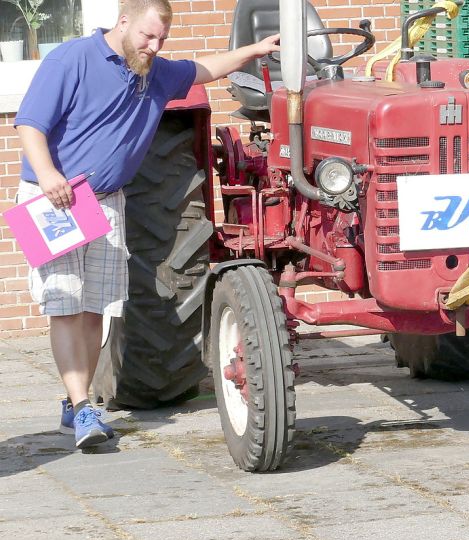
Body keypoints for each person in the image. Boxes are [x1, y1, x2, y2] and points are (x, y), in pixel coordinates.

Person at [13, 0, 280, 449]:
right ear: (123, 22)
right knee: (65, 303)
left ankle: (74, 399)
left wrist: (253, 49)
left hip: (106, 201)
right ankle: (82, 410)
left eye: (162, 40)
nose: (154, 47)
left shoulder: (153, 71)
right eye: (147, 36)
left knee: (96, 305)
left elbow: (205, 69)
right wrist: (48, 175)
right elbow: (29, 124)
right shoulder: (70, 59)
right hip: (51, 199)